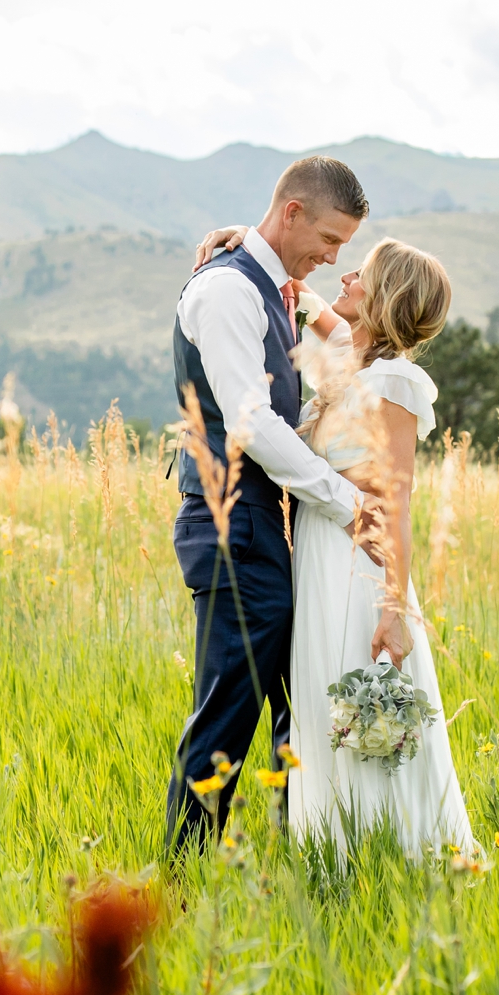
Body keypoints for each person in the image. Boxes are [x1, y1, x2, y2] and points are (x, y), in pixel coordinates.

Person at [189, 228, 478, 862]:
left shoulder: (396, 382)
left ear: (386, 298)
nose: (345, 277)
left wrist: (394, 610)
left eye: (362, 275)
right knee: (324, 711)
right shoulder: (353, 356)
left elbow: (397, 504)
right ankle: (333, 853)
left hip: (360, 569)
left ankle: (396, 853)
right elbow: (296, 291)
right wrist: (247, 239)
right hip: (317, 556)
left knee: (362, 709)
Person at [162, 155, 383, 855]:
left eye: (343, 247)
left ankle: (309, 858)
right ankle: (182, 877)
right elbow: (251, 422)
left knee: (296, 697)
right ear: (291, 213)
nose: (332, 256)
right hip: (232, 524)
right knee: (227, 713)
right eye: (329, 240)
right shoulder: (228, 292)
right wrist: (348, 502)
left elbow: (354, 334)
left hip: (263, 525)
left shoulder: (273, 284)